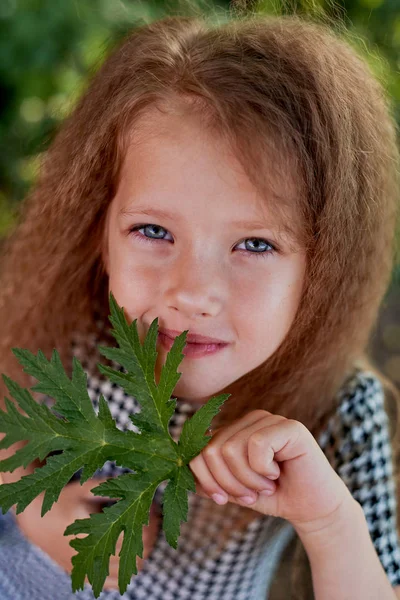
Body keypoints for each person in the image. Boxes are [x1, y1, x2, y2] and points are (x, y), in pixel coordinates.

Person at [0, 8, 400, 600]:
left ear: (323, 268)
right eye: (154, 232)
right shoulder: (69, 338)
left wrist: (329, 522)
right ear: (97, 227)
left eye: (256, 244)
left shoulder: (338, 417)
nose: (192, 293)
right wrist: (32, 504)